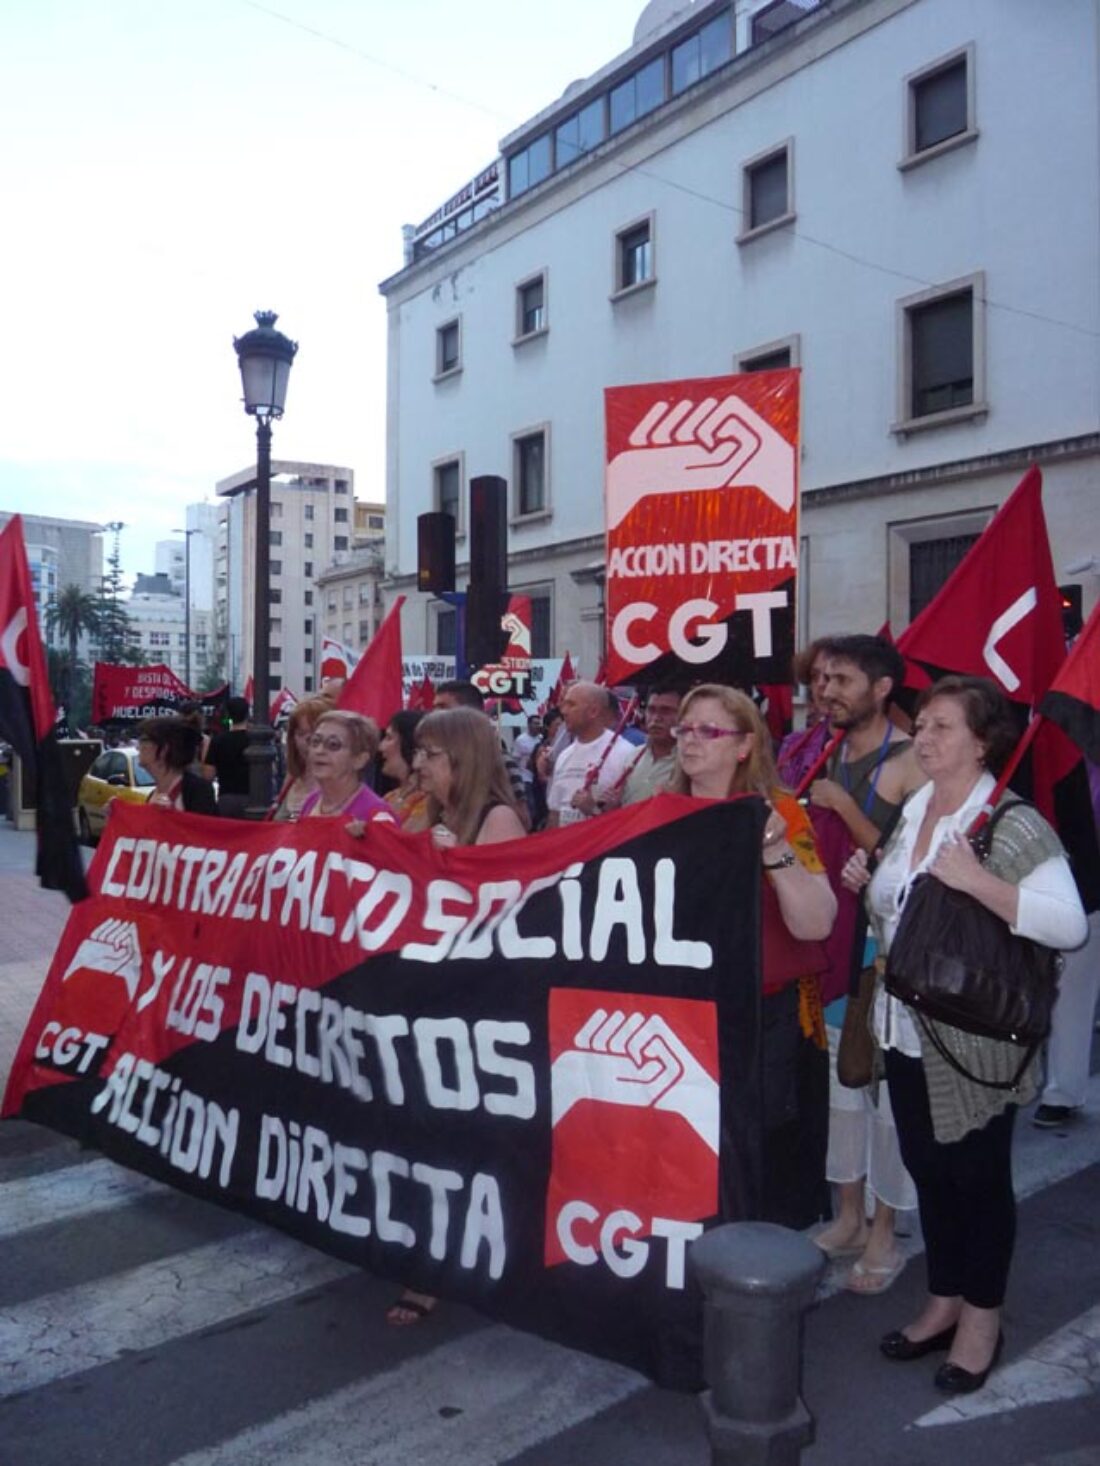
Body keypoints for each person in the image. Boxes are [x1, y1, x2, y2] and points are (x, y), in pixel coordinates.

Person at [844, 676, 1086, 1393]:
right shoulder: (916, 805)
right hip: (905, 1030)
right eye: (921, 725)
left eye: (943, 727)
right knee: (931, 1172)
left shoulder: (1012, 824)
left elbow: (1066, 924)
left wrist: (980, 882)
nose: (924, 737)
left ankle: (981, 1318)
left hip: (974, 1044)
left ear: (983, 743)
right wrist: (868, 885)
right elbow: (905, 918)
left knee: (977, 1182)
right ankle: (943, 1298)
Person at [669, 683, 837, 1226]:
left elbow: (817, 921)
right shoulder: (659, 815)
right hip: (685, 1019)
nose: (690, 741)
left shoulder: (780, 813)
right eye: (684, 729)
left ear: (744, 746)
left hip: (766, 1021)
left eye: (707, 731)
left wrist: (773, 848)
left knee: (765, 1166)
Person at [387, 706, 526, 1326]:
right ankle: (432, 1255)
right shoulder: (433, 813)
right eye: (417, 752)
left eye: (431, 754)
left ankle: (446, 1266)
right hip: (434, 999)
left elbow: (506, 920)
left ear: (462, 759)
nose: (418, 763)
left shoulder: (498, 819)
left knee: (460, 1144)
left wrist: (452, 870)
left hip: (477, 1008)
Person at [807, 634, 926, 1293]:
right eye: (824, 679)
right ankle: (848, 1213)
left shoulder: (910, 761)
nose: (827, 691)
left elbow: (917, 856)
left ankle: (886, 1231)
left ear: (881, 688)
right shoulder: (821, 748)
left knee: (887, 1099)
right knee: (840, 1090)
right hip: (830, 947)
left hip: (885, 955)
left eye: (842, 680)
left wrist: (845, 808)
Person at [433, 679, 529, 825]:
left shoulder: (499, 761)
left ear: (470, 712)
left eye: (443, 707)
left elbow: (523, 819)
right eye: (434, 708)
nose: (435, 715)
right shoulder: (439, 762)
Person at [546, 680, 636, 825]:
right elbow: (555, 812)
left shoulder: (624, 752)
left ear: (593, 711)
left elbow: (631, 816)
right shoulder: (564, 756)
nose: (564, 711)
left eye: (571, 704)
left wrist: (594, 810)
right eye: (564, 705)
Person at [298, 710, 396, 826]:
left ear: (359, 760)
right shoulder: (312, 801)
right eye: (315, 741)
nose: (319, 751)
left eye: (333, 745)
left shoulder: (377, 814)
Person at [136, 717, 217, 815]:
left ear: (163, 750)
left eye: (143, 740)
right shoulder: (154, 794)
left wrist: (172, 816)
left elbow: (207, 827)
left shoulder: (197, 791)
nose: (137, 747)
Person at [269, 696, 330, 822]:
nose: (307, 741)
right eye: (301, 734)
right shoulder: (292, 778)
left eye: (315, 733)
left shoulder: (338, 784)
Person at [618, 684, 681, 805]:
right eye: (651, 710)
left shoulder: (689, 762)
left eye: (666, 711)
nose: (656, 718)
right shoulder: (633, 756)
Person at [379, 709, 431, 831]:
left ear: (410, 744)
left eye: (389, 738)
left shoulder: (431, 804)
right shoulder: (389, 797)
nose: (381, 747)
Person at [203, 695, 253, 818]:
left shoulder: (218, 740)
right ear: (248, 714)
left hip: (226, 798)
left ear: (228, 715)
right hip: (253, 799)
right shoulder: (256, 740)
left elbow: (208, 775)